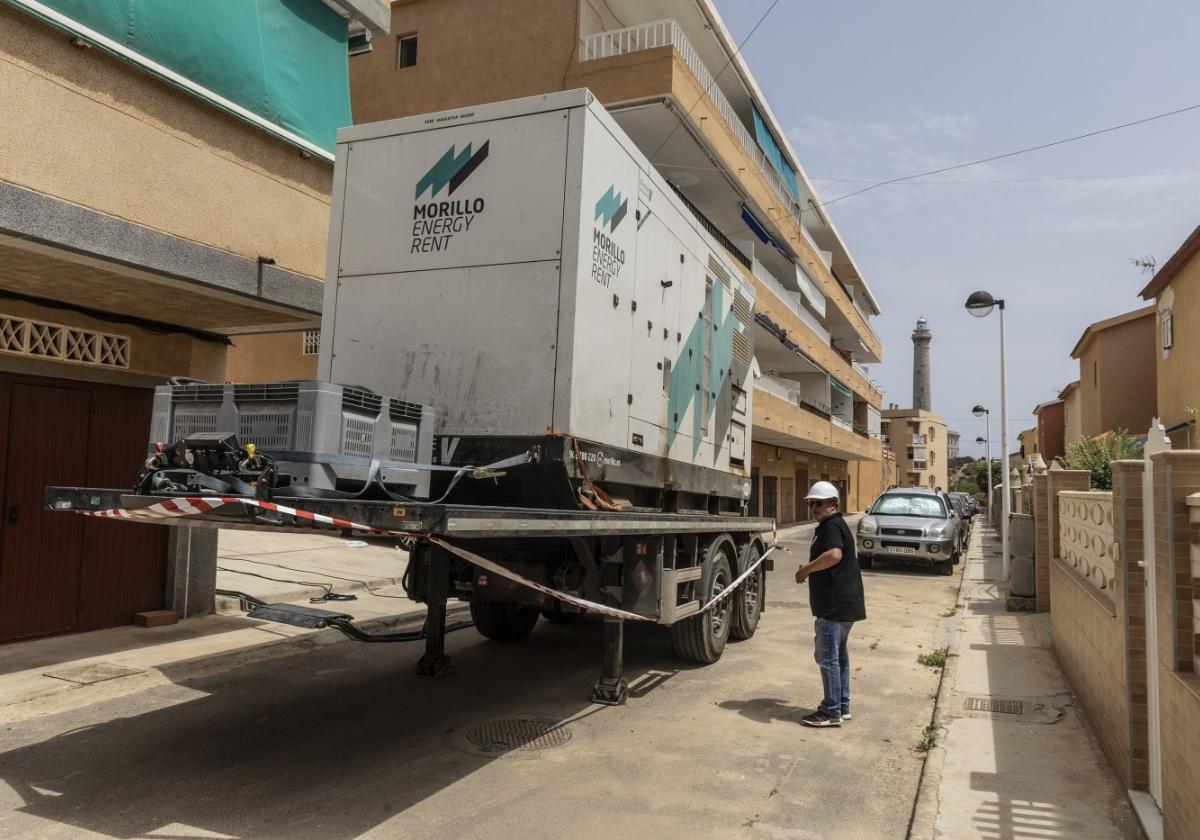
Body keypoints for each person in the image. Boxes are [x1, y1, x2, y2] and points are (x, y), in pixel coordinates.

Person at [794, 481, 866, 728]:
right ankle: (842, 706)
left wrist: (807, 570)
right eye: (811, 503)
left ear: (833, 504)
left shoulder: (831, 526)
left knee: (828, 659)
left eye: (819, 503)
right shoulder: (832, 525)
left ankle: (830, 710)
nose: (814, 507)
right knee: (839, 657)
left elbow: (835, 555)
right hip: (844, 605)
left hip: (835, 607)